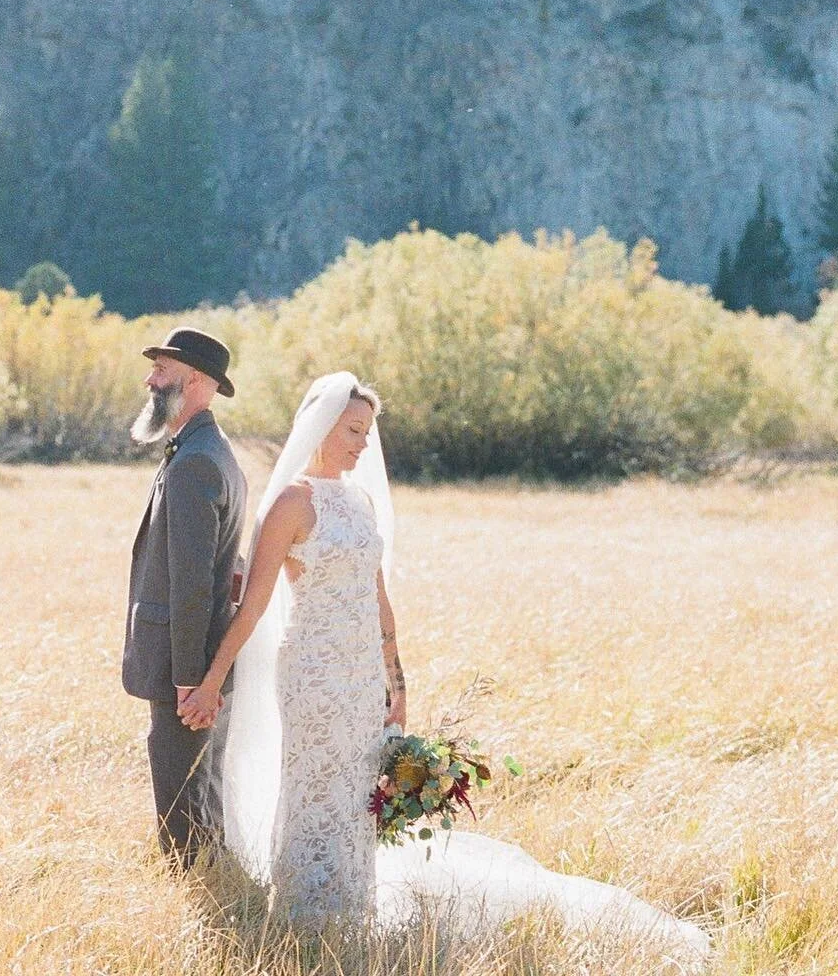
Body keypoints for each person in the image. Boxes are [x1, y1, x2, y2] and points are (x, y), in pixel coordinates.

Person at [179, 372, 710, 965]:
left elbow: (380, 601)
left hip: (360, 679)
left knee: (358, 794)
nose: (362, 444)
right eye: (354, 431)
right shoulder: (290, 503)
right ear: (323, 427)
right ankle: (306, 920)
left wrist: (396, 683)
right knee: (314, 787)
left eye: (366, 433)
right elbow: (254, 604)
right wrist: (209, 682)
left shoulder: (357, 502)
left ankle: (352, 910)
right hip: (311, 672)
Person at [121, 327, 247, 866]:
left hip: (187, 669)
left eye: (162, 370)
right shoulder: (203, 451)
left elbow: (194, 585)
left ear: (195, 381)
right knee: (199, 795)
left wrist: (193, 682)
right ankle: (209, 881)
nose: (150, 379)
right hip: (197, 666)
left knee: (183, 811)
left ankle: (198, 894)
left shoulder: (197, 462)